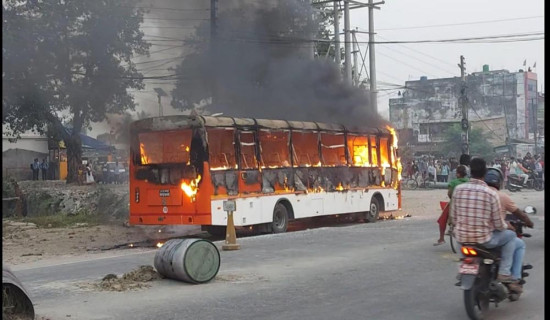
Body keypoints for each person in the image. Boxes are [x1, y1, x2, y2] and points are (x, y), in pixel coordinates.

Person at [450, 157, 522, 292]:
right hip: (484, 240)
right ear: (484, 173)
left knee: (462, 252)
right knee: (511, 236)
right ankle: (504, 272)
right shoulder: (491, 194)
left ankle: (463, 271)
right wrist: (508, 226)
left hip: (461, 239)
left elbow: (453, 217)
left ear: (470, 172)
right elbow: (498, 224)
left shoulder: (458, 189)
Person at [484, 167, 534, 292]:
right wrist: (529, 222)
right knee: (517, 242)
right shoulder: (501, 196)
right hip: (491, 236)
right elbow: (519, 214)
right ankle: (511, 276)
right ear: (499, 182)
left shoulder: (478, 194)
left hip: (472, 236)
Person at [434, 165, 469, 246]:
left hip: (455, 203)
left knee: (442, 219)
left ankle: (441, 238)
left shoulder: (454, 182)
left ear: (458, 174)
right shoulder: (469, 182)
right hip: (467, 203)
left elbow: (449, 194)